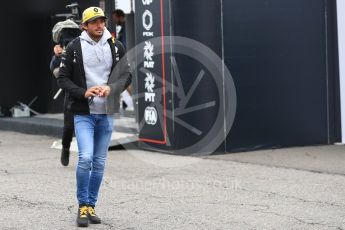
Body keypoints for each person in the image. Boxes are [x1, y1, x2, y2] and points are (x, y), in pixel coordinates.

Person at [57, 6, 131, 227]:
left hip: (106, 112)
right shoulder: (74, 47)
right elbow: (62, 78)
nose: (100, 25)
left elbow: (126, 75)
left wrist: (111, 88)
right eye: (95, 22)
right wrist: (83, 92)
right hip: (83, 113)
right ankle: (82, 206)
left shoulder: (116, 46)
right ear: (85, 26)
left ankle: (91, 205)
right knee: (86, 158)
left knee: (99, 162)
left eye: (102, 21)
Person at [49, 44, 74, 167]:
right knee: (69, 126)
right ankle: (66, 147)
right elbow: (57, 72)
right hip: (71, 95)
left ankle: (88, 156)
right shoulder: (63, 49)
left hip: (91, 92)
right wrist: (58, 56)